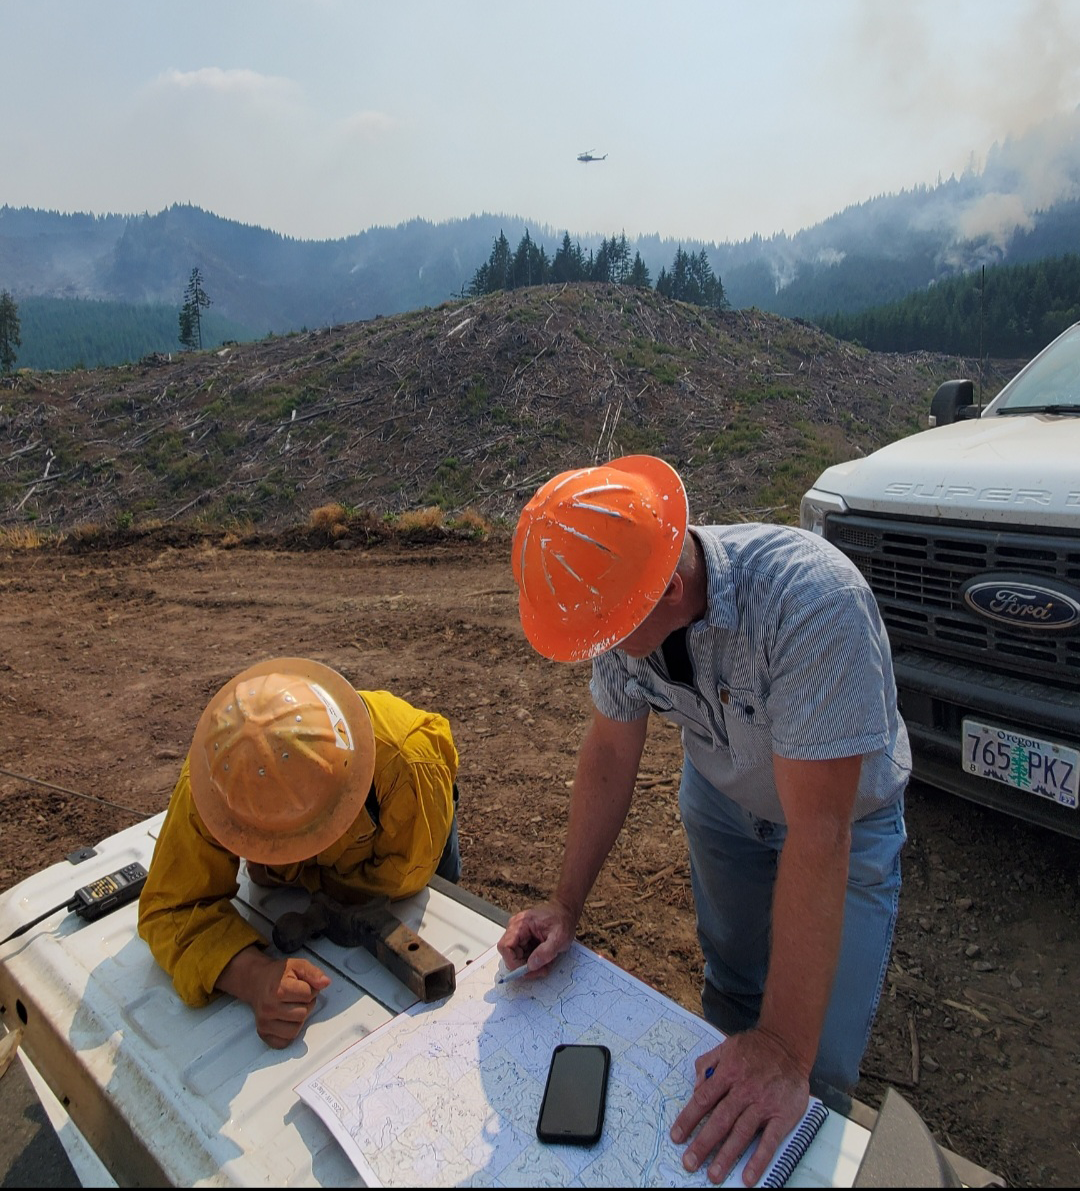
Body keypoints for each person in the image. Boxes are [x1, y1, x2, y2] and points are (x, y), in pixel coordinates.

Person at [497, 454, 909, 1186]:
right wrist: (566, 901)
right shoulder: (620, 591)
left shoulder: (811, 605)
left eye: (611, 635)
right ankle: (734, 1075)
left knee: (819, 1066)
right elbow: (610, 748)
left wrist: (785, 1047)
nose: (605, 653)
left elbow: (820, 832)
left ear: (674, 588)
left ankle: (791, 1128)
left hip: (840, 822)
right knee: (729, 980)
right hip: (723, 801)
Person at [139, 655, 460, 1049]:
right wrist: (254, 976)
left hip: (412, 850)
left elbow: (403, 882)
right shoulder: (221, 779)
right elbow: (171, 908)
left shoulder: (407, 761)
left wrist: (312, 893)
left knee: (448, 909)